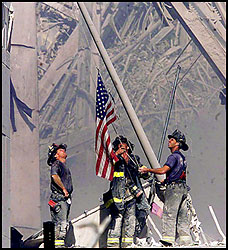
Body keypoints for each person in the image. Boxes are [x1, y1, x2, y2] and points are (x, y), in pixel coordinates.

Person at [139, 129, 192, 246]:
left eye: (172, 139)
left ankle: (168, 240)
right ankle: (185, 241)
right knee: (182, 216)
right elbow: (178, 173)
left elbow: (163, 170)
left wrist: (147, 169)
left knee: (169, 214)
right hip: (183, 188)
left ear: (177, 143)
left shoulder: (173, 157)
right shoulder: (182, 157)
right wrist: (166, 181)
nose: (169, 141)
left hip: (174, 190)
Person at [103, 136, 151, 248]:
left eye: (123, 144)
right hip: (117, 196)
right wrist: (116, 155)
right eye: (118, 145)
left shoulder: (134, 159)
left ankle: (127, 245)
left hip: (132, 196)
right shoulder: (114, 159)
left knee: (131, 221)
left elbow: (144, 173)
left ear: (128, 147)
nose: (121, 146)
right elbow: (107, 166)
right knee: (117, 221)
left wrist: (144, 172)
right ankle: (113, 246)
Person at [47, 143, 73, 248]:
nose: (63, 150)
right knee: (61, 226)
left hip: (64, 199)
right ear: (55, 155)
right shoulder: (56, 163)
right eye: (60, 150)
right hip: (59, 198)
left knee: (63, 225)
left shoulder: (62, 165)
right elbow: (54, 176)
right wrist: (63, 189)